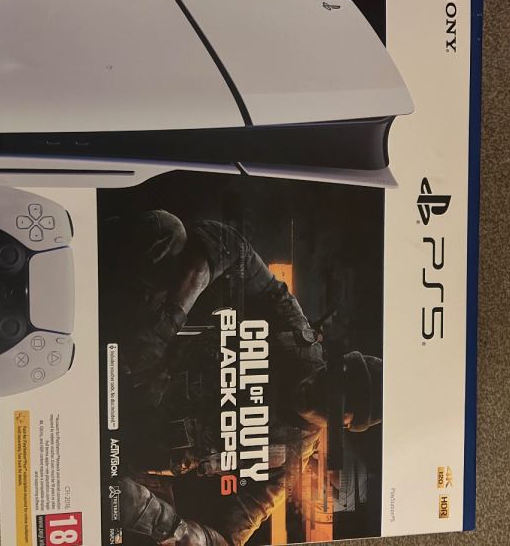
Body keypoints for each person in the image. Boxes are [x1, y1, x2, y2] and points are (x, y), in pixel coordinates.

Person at [100, 211, 382, 546]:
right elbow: (231, 245)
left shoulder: (288, 459)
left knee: (132, 508)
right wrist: (169, 320)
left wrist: (168, 525)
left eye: (332, 403)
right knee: (167, 231)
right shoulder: (294, 335)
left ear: (341, 424)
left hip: (132, 451)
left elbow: (227, 539)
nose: (315, 390)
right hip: (134, 356)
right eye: (330, 379)